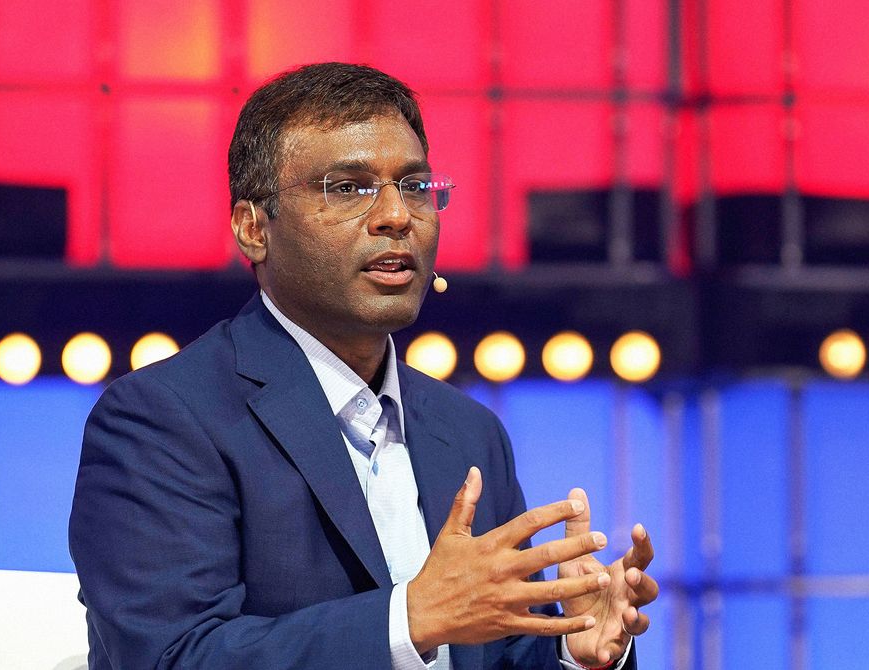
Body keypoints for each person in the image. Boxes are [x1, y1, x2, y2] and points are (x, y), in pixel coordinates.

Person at [69, 62, 658, 670]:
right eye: (349, 188)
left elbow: (496, 653)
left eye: (415, 186)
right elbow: (173, 657)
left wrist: (573, 651)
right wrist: (409, 621)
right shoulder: (163, 419)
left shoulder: (469, 432)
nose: (397, 216)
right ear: (253, 228)